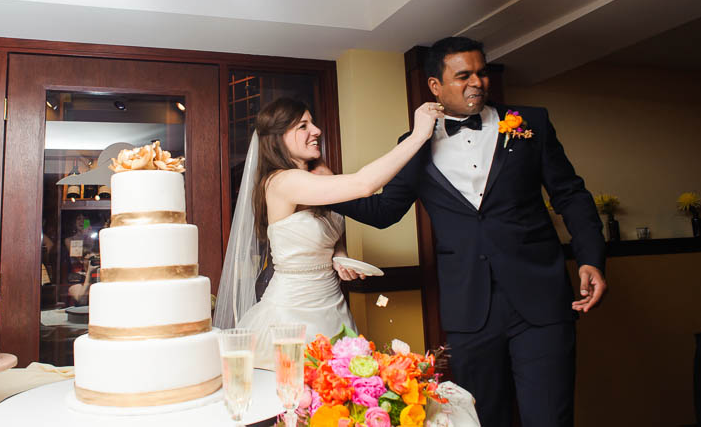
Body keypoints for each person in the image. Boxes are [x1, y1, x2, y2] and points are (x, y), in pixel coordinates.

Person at [328, 36, 607, 427]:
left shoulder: (532, 123)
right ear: (435, 86)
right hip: (469, 310)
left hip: (541, 301)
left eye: (481, 72)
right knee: (482, 419)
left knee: (550, 418)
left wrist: (591, 258)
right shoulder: (413, 144)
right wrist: (323, 191)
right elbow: (385, 211)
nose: (477, 82)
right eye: (463, 76)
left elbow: (571, 195)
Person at [215, 96, 443, 368]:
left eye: (313, 123)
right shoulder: (283, 181)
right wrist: (418, 136)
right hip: (293, 311)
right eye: (303, 126)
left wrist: (339, 253)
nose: (317, 131)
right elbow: (363, 185)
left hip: (332, 302)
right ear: (277, 138)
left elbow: (328, 228)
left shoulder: (316, 176)